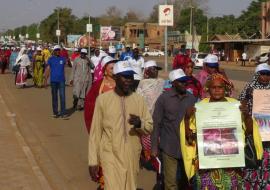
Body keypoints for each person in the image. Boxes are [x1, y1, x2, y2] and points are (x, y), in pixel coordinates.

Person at [181, 74, 263, 189]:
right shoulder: (199, 108)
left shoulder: (235, 106)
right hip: (207, 165)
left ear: (226, 89)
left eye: (220, 87)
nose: (217, 90)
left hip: (231, 165)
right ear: (208, 89)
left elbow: (249, 132)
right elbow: (189, 138)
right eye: (213, 87)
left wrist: (247, 115)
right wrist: (186, 118)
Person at [88, 60, 153, 190]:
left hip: (131, 155)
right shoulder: (103, 100)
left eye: (130, 77)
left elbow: (150, 126)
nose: (129, 80)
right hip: (110, 154)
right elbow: (95, 133)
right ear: (116, 77)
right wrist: (93, 161)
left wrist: (140, 123)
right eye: (125, 76)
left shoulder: (138, 99)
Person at [151, 69, 197, 190]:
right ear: (173, 83)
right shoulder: (163, 99)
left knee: (185, 181)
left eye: (185, 81)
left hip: (188, 148)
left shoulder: (192, 98)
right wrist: (154, 147)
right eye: (180, 81)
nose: (184, 84)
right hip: (169, 147)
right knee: (171, 183)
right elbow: (156, 124)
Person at [84, 56, 117, 190]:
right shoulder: (97, 86)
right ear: (104, 70)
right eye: (111, 68)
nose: (114, 70)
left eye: (115, 67)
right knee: (105, 158)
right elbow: (90, 107)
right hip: (103, 130)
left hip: (119, 128)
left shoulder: (122, 84)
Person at [239, 63, 270, 189]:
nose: (266, 77)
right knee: (254, 161)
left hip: (268, 134)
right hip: (253, 131)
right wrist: (248, 98)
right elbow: (241, 105)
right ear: (257, 75)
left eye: (268, 74)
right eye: (263, 74)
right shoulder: (249, 87)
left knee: (266, 162)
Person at [44, 45, 68, 118]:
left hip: (61, 81)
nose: (58, 51)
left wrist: (65, 78)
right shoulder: (50, 59)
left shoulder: (63, 59)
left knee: (62, 96)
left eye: (59, 50)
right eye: (56, 50)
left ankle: (63, 113)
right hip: (53, 81)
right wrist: (45, 80)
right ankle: (55, 112)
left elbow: (64, 69)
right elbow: (48, 69)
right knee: (54, 97)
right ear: (54, 51)